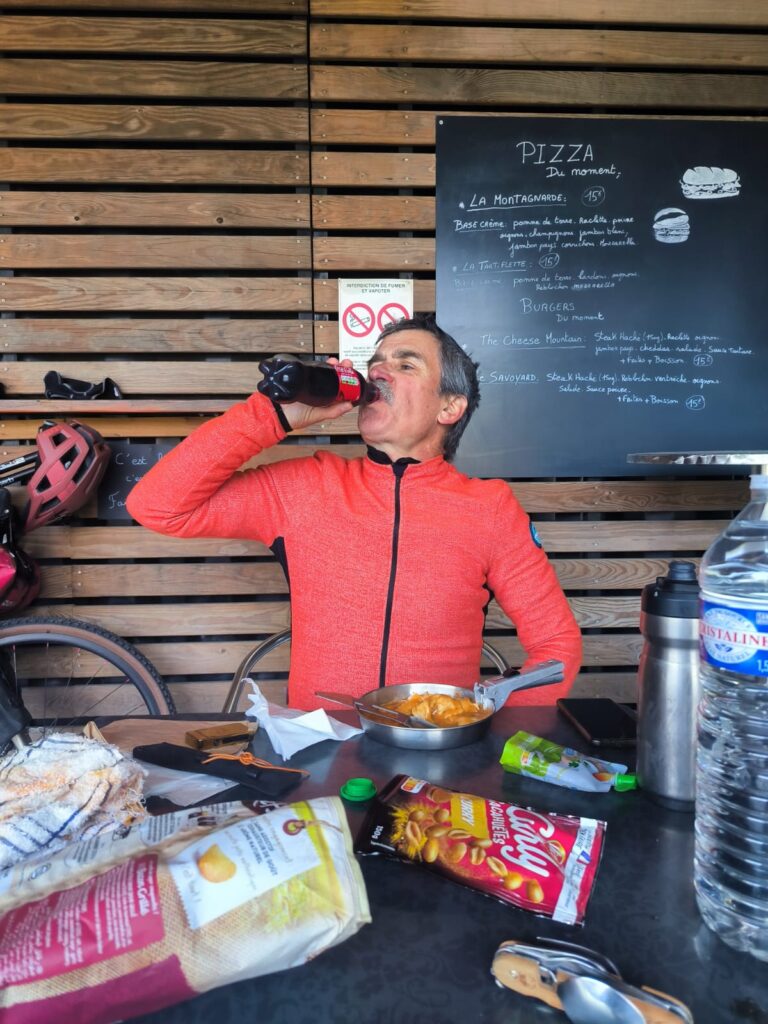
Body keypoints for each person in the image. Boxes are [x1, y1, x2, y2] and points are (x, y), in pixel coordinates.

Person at [127, 314, 581, 710]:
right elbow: (156, 506)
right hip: (320, 751)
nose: (379, 372)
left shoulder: (490, 509)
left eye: (405, 365)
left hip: (438, 756)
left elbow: (556, 647)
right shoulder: (305, 486)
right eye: (375, 363)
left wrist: (485, 731)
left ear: (450, 406)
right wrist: (272, 416)